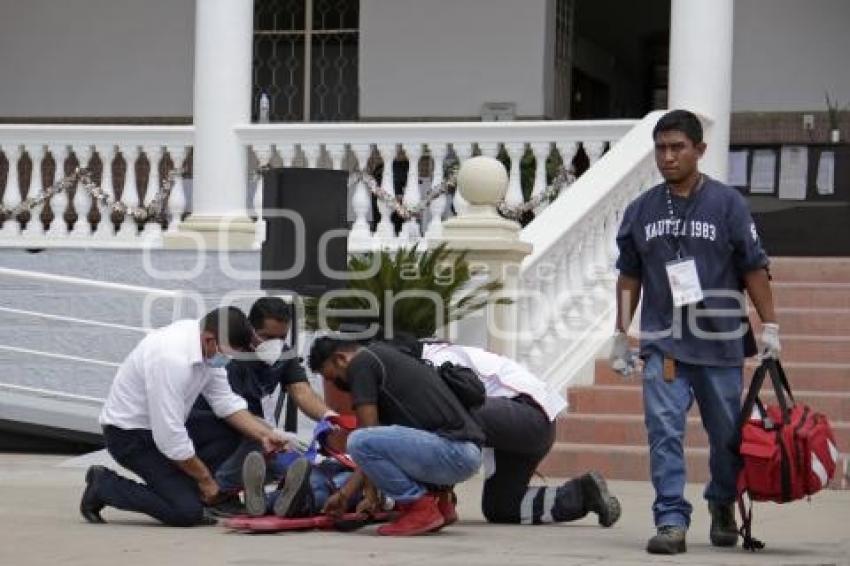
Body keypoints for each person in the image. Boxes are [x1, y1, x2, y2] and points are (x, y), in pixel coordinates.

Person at [610, 109, 781, 554]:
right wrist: (619, 333)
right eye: (661, 148)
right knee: (663, 430)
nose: (667, 157)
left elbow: (753, 267)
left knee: (726, 435)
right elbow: (629, 275)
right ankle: (670, 520)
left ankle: (722, 503)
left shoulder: (727, 204)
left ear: (699, 150)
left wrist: (771, 327)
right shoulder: (642, 209)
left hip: (720, 343)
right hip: (664, 344)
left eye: (677, 147)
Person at [79, 307, 290, 527]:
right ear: (209, 339)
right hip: (130, 436)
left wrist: (266, 434)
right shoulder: (170, 359)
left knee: (239, 431)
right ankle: (104, 485)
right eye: (227, 355)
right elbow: (169, 436)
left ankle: (206, 492)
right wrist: (205, 480)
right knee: (186, 512)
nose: (227, 361)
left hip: (166, 427)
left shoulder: (207, 343)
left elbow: (226, 402)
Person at [417, 341, 621, 528]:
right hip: (531, 421)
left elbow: (450, 420)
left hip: (529, 415)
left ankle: (431, 499)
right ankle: (582, 494)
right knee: (501, 507)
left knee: (446, 414)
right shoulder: (434, 355)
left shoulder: (431, 363)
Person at [307, 336, 484, 536]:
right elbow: (380, 448)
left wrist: (369, 496)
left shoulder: (361, 363)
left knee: (358, 440)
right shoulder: (387, 357)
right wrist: (345, 494)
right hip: (462, 454)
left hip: (453, 452)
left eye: (333, 376)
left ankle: (420, 509)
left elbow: (367, 436)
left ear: (340, 359)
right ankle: (440, 504)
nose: (336, 384)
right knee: (379, 440)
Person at [185, 297, 334, 514]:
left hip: (255, 435)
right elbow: (234, 414)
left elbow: (301, 391)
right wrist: (271, 433)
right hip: (218, 430)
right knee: (257, 439)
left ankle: (269, 500)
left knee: (301, 469)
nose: (275, 343)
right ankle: (219, 490)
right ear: (250, 330)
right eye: (267, 337)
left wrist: (329, 417)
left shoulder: (283, 353)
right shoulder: (231, 357)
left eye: (281, 337)